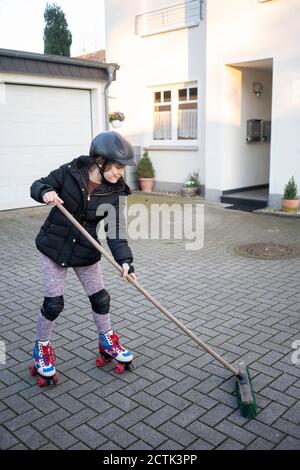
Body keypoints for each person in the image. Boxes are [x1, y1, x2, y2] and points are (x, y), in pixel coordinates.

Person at [30, 131, 137, 380]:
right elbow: (38, 184)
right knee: (54, 304)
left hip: (85, 248)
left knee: (101, 298)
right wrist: (45, 192)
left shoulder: (116, 191)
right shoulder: (70, 171)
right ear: (100, 161)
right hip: (53, 247)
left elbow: (116, 230)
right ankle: (41, 347)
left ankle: (107, 339)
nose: (121, 172)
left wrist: (125, 261)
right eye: (118, 166)